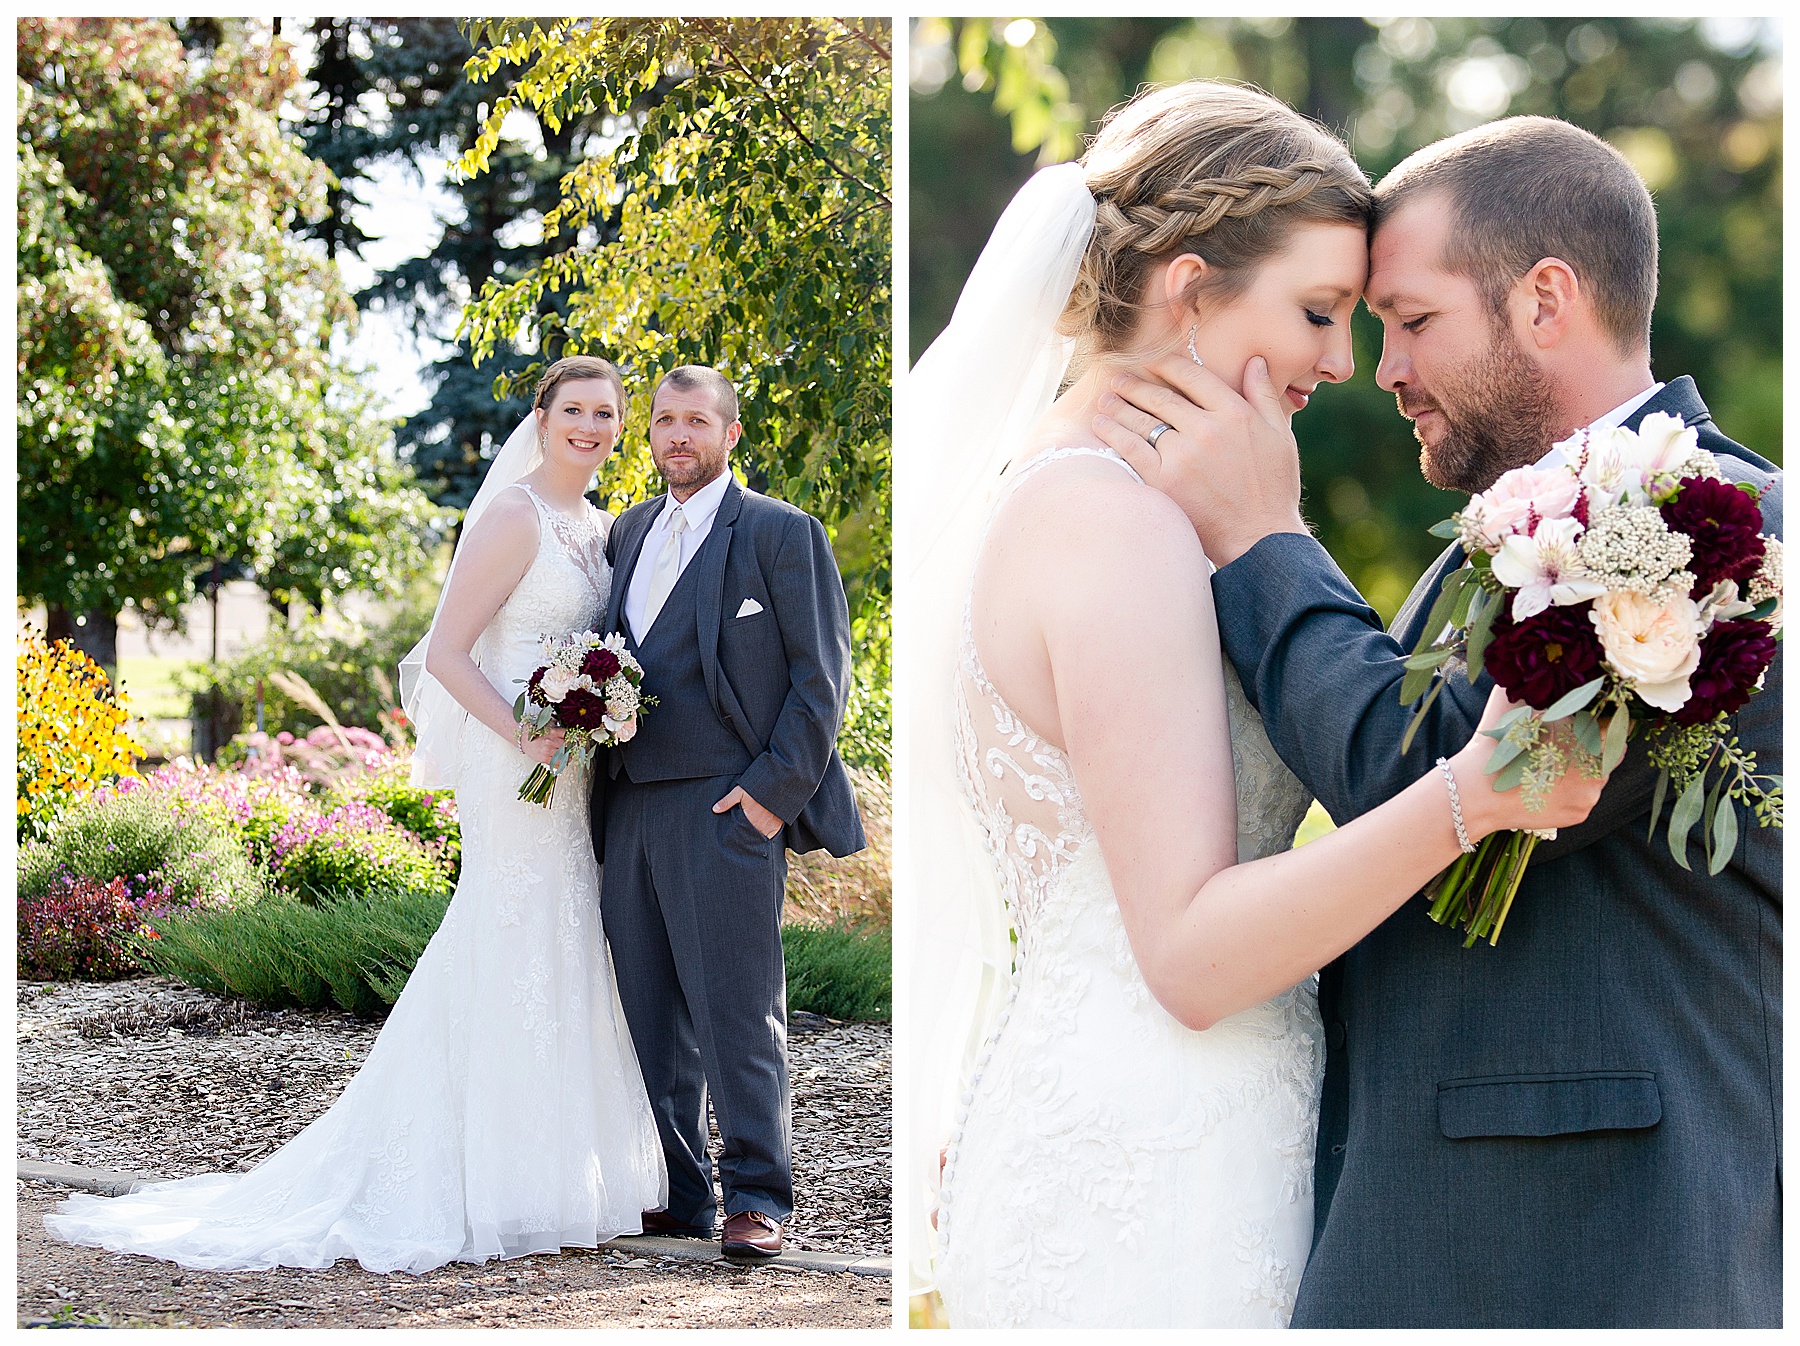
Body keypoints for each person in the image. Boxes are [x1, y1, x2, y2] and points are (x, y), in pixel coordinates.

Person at [904, 83, 1604, 1328]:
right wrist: (1470, 794)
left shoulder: (1134, 505)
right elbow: (1187, 951)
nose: (1344, 363)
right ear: (1189, 290)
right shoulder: (1105, 523)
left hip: (1187, 1129)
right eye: (1320, 313)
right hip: (1150, 1168)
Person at [1098, 116, 1781, 1327]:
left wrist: (1264, 537)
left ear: (1546, 298)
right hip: (1444, 1213)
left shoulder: (1715, 528)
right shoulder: (1504, 536)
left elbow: (1428, 774)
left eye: (1413, 320)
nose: (1384, 366)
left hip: (1589, 1240)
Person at [45, 355, 665, 1273]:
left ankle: (551, 1175)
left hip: (570, 773)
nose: (590, 425)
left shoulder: (599, 527)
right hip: (518, 767)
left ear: (622, 428)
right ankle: (468, 1176)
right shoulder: (511, 516)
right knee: (509, 933)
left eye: (606, 413)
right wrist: (525, 734)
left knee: (565, 938)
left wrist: (593, 709)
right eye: (573, 408)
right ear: (540, 418)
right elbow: (449, 656)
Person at [593, 365, 865, 1263]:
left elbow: (820, 682)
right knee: (650, 1011)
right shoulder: (626, 533)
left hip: (726, 807)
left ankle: (759, 1194)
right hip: (629, 805)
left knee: (738, 1013)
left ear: (730, 433)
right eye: (665, 420)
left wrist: (766, 799)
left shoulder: (781, 534)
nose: (678, 435)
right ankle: (682, 1195)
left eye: (696, 421)